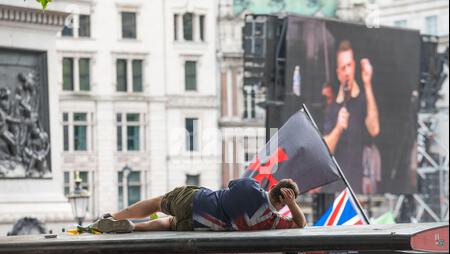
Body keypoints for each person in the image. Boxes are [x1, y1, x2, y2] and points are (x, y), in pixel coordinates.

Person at [92, 178, 307, 233]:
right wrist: (292, 205)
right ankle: (133, 228)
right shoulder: (271, 222)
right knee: (168, 224)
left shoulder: (251, 186)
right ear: (285, 200)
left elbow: (232, 184)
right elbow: (301, 224)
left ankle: (115, 217)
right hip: (201, 226)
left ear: (275, 188)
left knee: (158, 203)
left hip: (197, 201)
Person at [323, 40, 380, 193]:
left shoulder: (363, 98)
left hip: (358, 186)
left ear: (354, 66)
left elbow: (374, 129)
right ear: (338, 73)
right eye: (343, 68)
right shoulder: (333, 107)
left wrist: (367, 83)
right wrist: (338, 128)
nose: (347, 71)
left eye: (349, 65)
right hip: (335, 188)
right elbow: (325, 150)